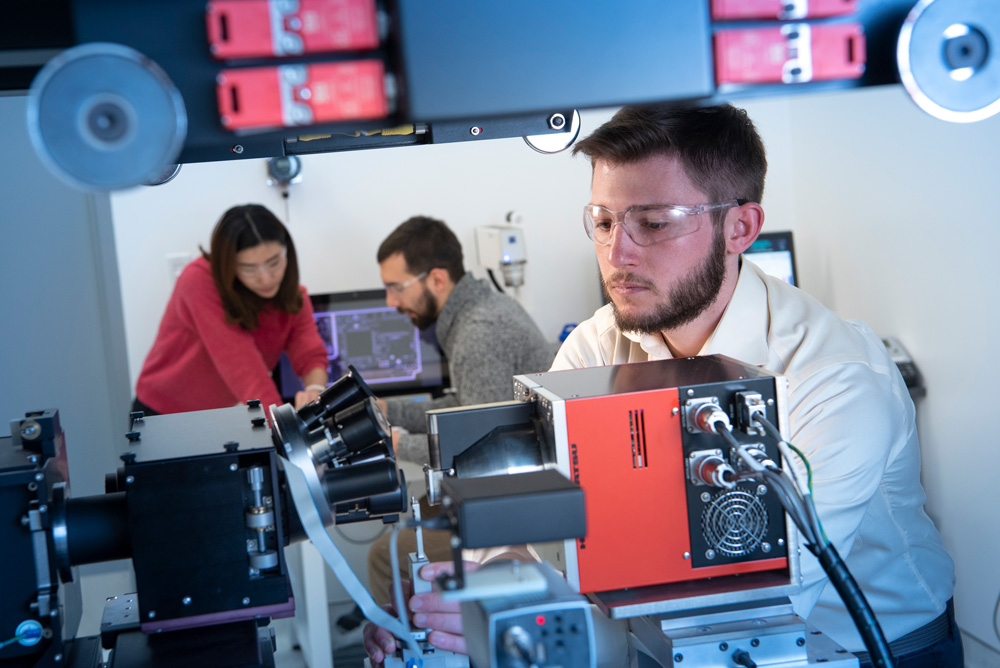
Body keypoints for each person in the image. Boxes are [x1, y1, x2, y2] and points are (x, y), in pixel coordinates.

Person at [365, 104, 962, 668]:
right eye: (602, 222)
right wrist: (486, 591)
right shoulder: (602, 344)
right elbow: (516, 500)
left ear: (740, 226)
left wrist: (524, 605)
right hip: (677, 642)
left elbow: (757, 583)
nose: (616, 253)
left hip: (872, 646)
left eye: (651, 223)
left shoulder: (832, 378)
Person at [364, 215, 554, 609]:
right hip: (515, 493)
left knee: (384, 554)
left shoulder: (478, 331)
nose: (391, 302)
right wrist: (390, 411)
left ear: (436, 279)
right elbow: (469, 407)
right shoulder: (479, 311)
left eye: (396, 288)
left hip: (519, 517)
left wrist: (400, 445)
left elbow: (475, 445)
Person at [133, 204, 329, 416]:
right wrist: (287, 429)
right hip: (164, 411)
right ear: (228, 264)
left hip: (217, 413)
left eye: (273, 263)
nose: (266, 278)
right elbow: (244, 370)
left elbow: (310, 353)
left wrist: (315, 391)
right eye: (249, 269)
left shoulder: (292, 295)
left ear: (286, 253)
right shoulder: (198, 281)